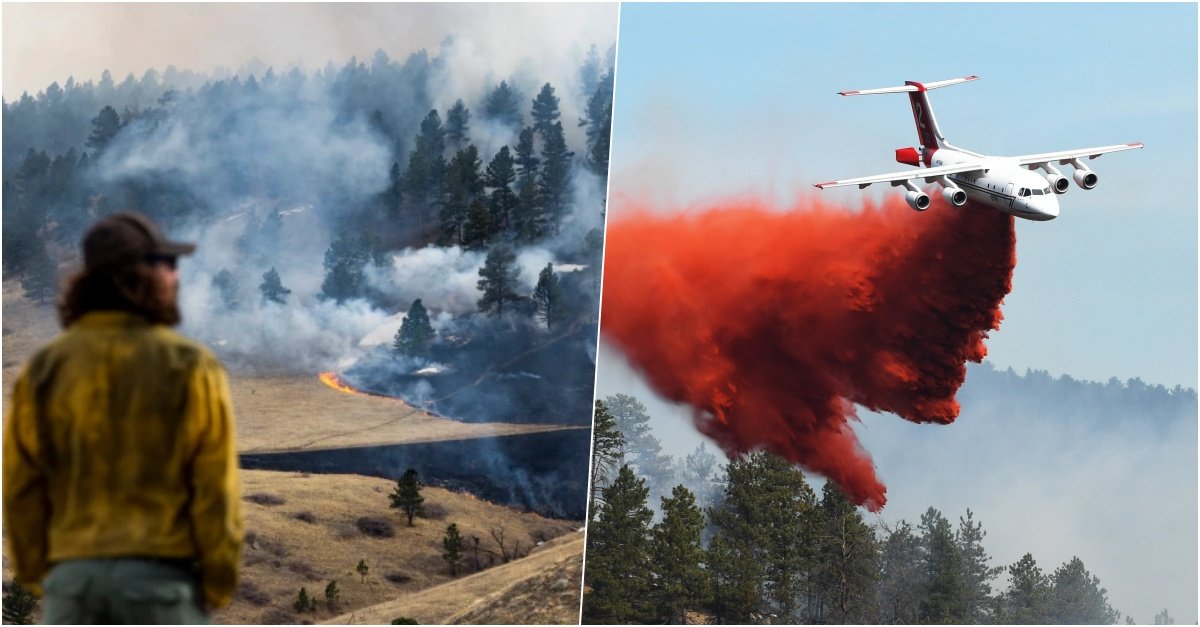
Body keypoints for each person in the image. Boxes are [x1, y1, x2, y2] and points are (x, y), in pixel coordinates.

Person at [3, 211, 243, 624]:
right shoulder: (189, 365)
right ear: (140, 275)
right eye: (167, 265)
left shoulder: (45, 368)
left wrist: (44, 576)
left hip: (73, 590)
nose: (176, 277)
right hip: (161, 586)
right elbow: (214, 486)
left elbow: (20, 485)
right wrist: (216, 583)